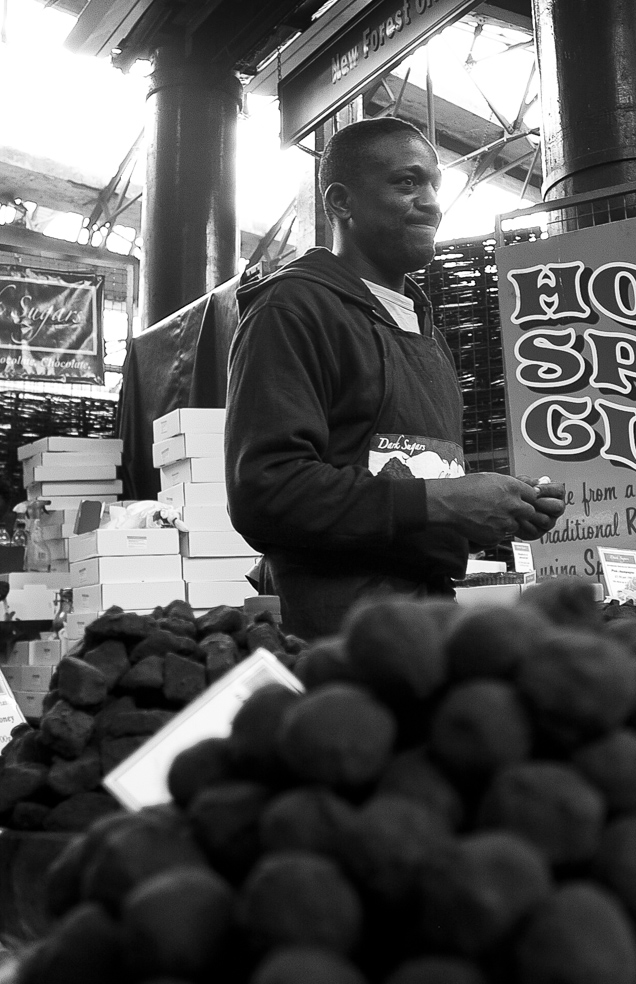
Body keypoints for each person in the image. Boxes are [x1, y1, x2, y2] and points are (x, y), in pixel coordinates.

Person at [224, 116, 565, 640]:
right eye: (407, 182)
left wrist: (495, 511)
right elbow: (265, 492)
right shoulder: (292, 308)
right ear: (341, 202)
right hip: (342, 635)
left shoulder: (421, 324)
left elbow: (409, 487)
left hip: (430, 619)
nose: (431, 201)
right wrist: (445, 500)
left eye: (434, 184)